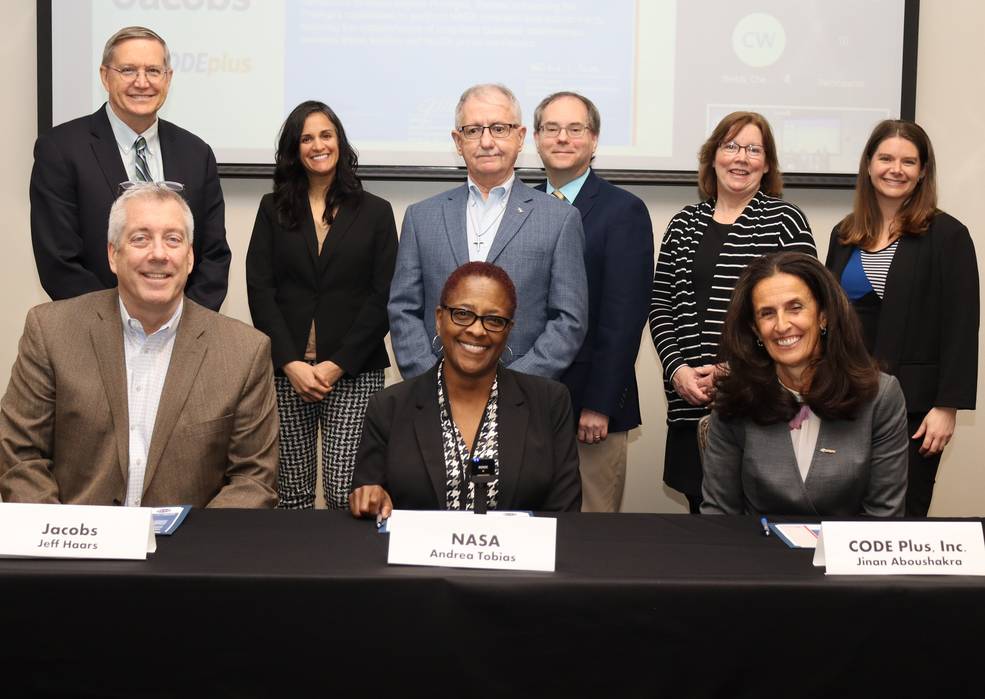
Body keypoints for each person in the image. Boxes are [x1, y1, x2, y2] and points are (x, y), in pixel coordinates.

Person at [0, 183, 278, 507]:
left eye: (173, 240)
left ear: (189, 258)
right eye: (140, 238)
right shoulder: (51, 331)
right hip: (77, 547)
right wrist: (65, 535)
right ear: (113, 254)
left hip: (188, 551)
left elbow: (253, 479)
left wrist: (195, 549)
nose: (158, 254)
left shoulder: (244, 352)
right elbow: (19, 452)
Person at [649, 111, 816, 512]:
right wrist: (679, 371)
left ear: (767, 164)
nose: (741, 158)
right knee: (704, 522)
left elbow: (803, 313)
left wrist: (733, 369)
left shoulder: (785, 221)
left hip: (760, 399)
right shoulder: (684, 223)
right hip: (688, 401)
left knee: (762, 521)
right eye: (731, 146)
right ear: (713, 157)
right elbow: (660, 305)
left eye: (753, 149)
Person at [247, 101, 398, 510]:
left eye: (325, 135)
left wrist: (337, 364)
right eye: (307, 138)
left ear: (340, 141)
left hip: (353, 372)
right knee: (290, 493)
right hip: (288, 372)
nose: (318, 145)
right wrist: (289, 362)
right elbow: (260, 290)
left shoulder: (376, 212)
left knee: (346, 493)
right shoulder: (271, 208)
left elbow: (383, 297)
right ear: (295, 149)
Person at [825, 120, 979, 516]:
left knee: (900, 520)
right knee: (843, 515)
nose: (896, 169)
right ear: (868, 164)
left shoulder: (948, 235)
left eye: (909, 161)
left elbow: (962, 326)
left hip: (915, 408)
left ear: (923, 171)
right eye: (886, 158)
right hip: (847, 400)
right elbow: (828, 319)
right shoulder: (845, 233)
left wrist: (947, 407)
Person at [388, 83, 588, 380]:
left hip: (522, 399)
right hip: (434, 395)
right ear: (458, 141)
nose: (486, 141)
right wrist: (433, 382)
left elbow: (568, 320)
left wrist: (510, 386)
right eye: (473, 130)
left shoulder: (559, 219)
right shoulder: (421, 217)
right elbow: (403, 310)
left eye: (498, 128)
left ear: (520, 137)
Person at [350, 262, 582, 517]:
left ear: (508, 330)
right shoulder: (388, 407)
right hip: (415, 557)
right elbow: (367, 499)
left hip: (519, 557)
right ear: (439, 319)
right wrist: (371, 498)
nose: (476, 330)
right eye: (462, 314)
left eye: (493, 320)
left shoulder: (550, 403)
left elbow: (565, 514)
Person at [30, 26, 230, 311]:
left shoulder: (197, 153)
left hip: (184, 339)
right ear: (105, 76)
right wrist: (121, 325)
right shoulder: (61, 149)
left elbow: (214, 256)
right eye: (128, 70)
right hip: (95, 333)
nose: (142, 82)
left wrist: (183, 325)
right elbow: (59, 262)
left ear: (168, 78)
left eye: (153, 71)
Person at [701, 252, 907, 516]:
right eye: (767, 314)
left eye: (795, 308)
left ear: (823, 316)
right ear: (755, 330)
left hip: (845, 556)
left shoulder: (880, 396)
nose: (782, 325)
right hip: (757, 554)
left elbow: (883, 520)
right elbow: (719, 517)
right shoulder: (735, 396)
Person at [532, 91, 653, 512]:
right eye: (551, 128)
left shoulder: (624, 211)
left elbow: (624, 317)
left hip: (589, 408)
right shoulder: (519, 206)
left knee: (589, 530)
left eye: (575, 129)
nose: (562, 138)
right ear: (536, 138)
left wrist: (599, 404)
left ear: (594, 140)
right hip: (522, 402)